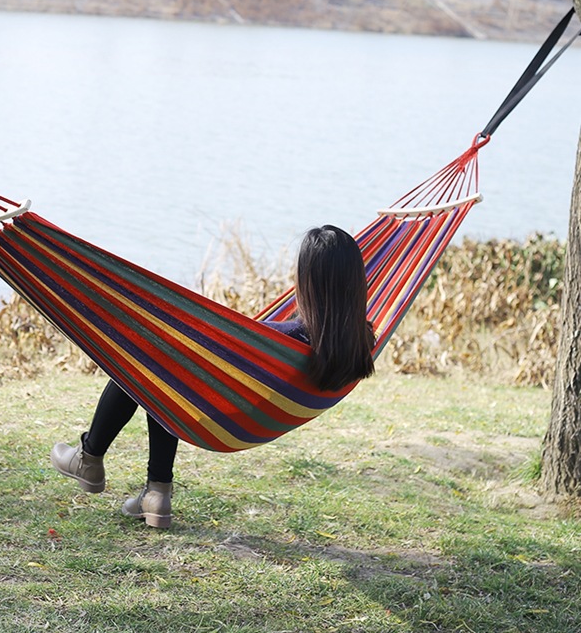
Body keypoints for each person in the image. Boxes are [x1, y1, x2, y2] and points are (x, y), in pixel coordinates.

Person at [50, 224, 375, 529]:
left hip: (226, 412)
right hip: (256, 415)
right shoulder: (362, 341)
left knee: (153, 360)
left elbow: (222, 344)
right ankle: (156, 494)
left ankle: (90, 457)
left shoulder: (283, 337)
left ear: (307, 282)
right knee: (163, 364)